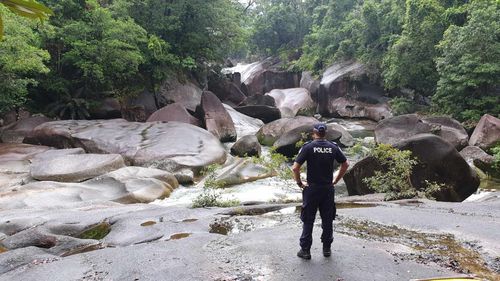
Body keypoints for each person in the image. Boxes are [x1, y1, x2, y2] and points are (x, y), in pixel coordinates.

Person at [292, 123, 349, 259]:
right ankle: (327, 249)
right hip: (327, 189)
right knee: (327, 219)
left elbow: (295, 168)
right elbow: (345, 164)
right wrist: (335, 180)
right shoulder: (333, 147)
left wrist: (300, 183)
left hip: (312, 189)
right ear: (326, 133)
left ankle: (305, 251)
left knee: (308, 220)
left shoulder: (308, 147)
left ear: (314, 132)